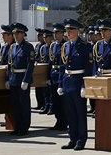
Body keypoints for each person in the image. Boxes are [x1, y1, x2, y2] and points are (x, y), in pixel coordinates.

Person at [58, 18, 92, 151]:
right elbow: (62, 66)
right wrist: (60, 84)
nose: (68, 32)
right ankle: (72, 138)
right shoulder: (65, 46)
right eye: (67, 30)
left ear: (77, 31)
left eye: (71, 30)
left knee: (80, 113)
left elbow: (88, 67)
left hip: (78, 82)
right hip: (67, 81)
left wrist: (85, 85)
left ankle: (81, 140)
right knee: (70, 114)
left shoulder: (85, 46)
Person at [6, 22, 35, 136]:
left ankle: (24, 127)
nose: (16, 36)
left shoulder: (28, 47)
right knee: (15, 105)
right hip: (13, 79)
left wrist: (26, 80)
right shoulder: (12, 47)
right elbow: (9, 64)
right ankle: (17, 127)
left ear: (23, 34)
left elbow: (30, 65)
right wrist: (7, 79)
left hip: (22, 79)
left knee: (24, 105)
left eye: (18, 33)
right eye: (14, 34)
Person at [49, 23, 68, 130]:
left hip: (62, 76)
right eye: (55, 33)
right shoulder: (53, 45)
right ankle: (58, 120)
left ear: (62, 34)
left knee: (62, 102)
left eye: (58, 33)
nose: (56, 35)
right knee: (55, 101)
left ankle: (64, 122)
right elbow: (50, 62)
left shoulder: (65, 45)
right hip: (53, 75)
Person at [38, 30, 53, 114]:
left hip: (50, 70)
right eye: (44, 37)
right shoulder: (43, 48)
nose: (45, 39)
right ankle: (46, 105)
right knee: (45, 91)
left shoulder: (52, 46)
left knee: (50, 91)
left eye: (46, 37)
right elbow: (40, 58)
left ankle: (51, 106)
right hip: (43, 70)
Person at [33, 28, 46, 111]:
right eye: (37, 35)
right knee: (37, 89)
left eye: (39, 35)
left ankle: (44, 104)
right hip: (37, 68)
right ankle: (39, 104)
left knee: (43, 90)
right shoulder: (37, 45)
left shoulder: (45, 45)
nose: (38, 37)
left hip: (43, 69)